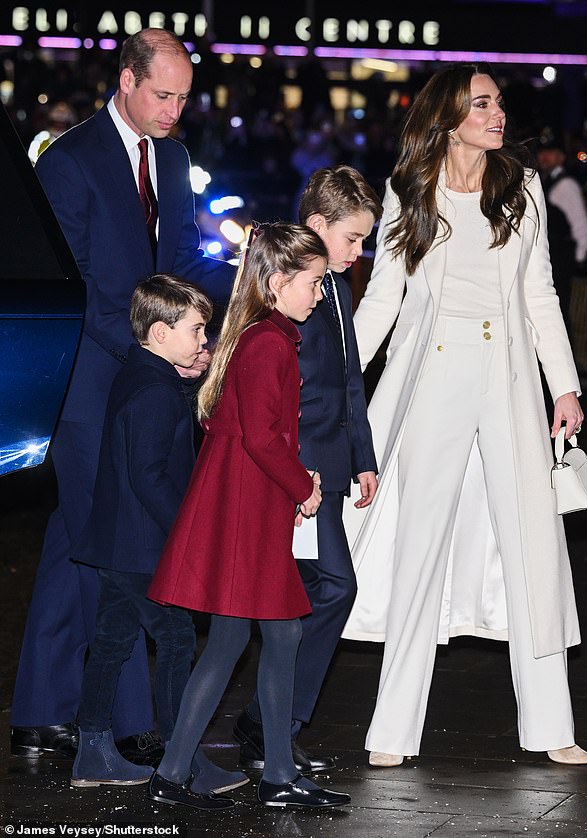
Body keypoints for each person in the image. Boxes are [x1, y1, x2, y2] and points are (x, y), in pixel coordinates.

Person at [340, 64, 587, 768]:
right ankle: (392, 733)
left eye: (499, 102)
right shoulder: (409, 191)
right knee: (420, 546)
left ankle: (552, 727)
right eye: (483, 103)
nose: (498, 113)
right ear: (449, 117)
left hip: (508, 379)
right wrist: (335, 379)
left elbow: (540, 294)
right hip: (433, 380)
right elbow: (383, 300)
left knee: (531, 545)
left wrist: (564, 387)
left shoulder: (524, 187)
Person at [10, 28, 234, 765]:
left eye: (183, 98)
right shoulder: (70, 161)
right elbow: (72, 284)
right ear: (127, 81)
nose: (174, 111)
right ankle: (128, 719)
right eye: (163, 95)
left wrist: (236, 284)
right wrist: (154, 352)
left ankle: (43, 711)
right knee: (126, 546)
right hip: (91, 387)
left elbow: (175, 264)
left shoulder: (172, 159)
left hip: (149, 383)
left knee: (80, 542)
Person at [146, 223, 350, 810]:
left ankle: (179, 772)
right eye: (313, 282)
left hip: (245, 500)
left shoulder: (261, 335)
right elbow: (263, 437)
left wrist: (295, 475)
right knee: (278, 631)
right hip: (250, 504)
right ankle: (272, 775)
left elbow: (249, 429)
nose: (321, 292)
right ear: (279, 280)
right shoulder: (267, 341)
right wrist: (300, 486)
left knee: (236, 638)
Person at [69, 275, 247, 800]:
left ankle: (93, 749)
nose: (203, 342)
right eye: (196, 331)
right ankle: (181, 755)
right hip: (144, 545)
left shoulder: (142, 373)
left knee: (112, 641)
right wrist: (187, 530)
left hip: (118, 542)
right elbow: (150, 473)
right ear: (159, 332)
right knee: (175, 639)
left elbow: (162, 408)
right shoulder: (153, 389)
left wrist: (191, 378)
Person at [234, 165, 379, 773]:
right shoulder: (288, 291)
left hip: (329, 469)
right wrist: (296, 473)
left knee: (314, 593)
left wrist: (363, 458)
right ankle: (274, 720)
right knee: (328, 589)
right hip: (298, 474)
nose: (358, 250)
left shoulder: (336, 290)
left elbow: (349, 381)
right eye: (352, 238)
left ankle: (272, 721)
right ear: (316, 226)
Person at [536, 132, 587, 332]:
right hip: (550, 255)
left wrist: (578, 258)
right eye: (542, 152)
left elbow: (579, 223)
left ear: (561, 157)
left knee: (557, 314)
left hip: (560, 255)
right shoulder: (543, 181)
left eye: (550, 152)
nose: (544, 157)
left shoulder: (565, 184)